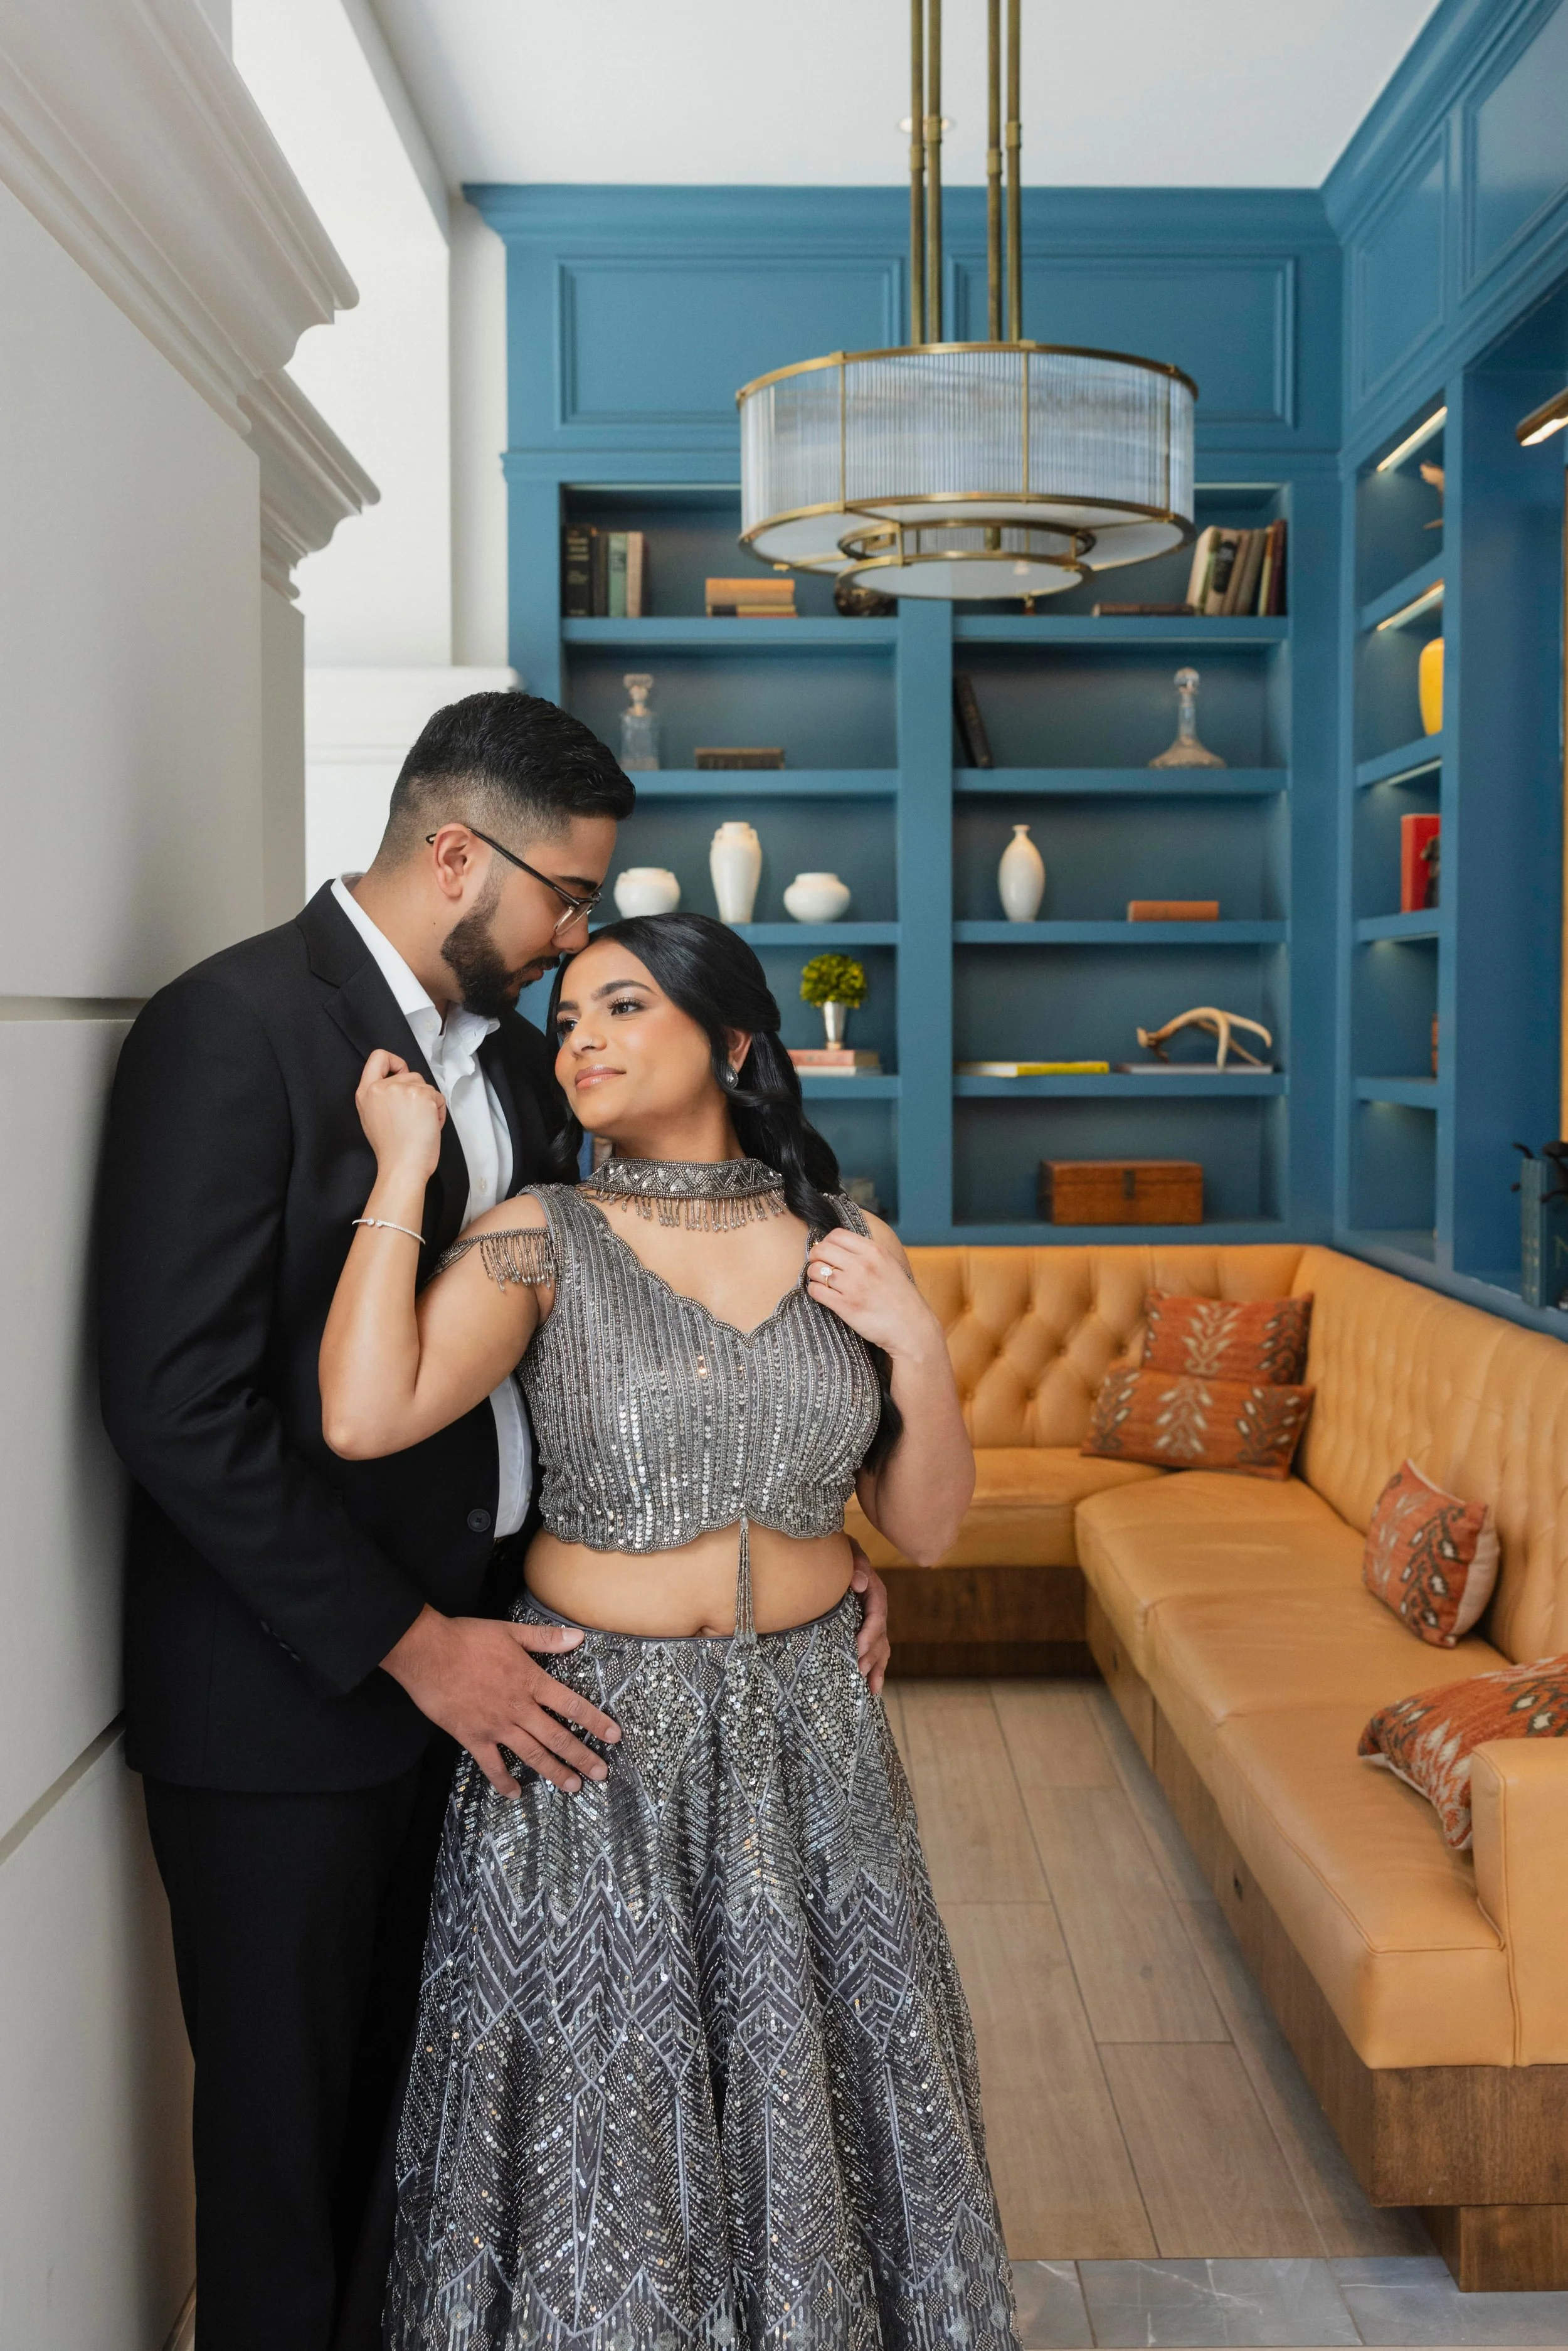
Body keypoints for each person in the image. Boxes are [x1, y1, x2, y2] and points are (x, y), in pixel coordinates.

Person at [95, 691, 895, 2351]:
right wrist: (408, 1644)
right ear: (458, 856)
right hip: (291, 1699)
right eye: (566, 898)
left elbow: (641, 1330)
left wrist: (810, 1549)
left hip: (517, 1681)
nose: (575, 938)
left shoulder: (536, 1065)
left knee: (439, 2148)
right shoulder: (229, 1025)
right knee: (284, 2153)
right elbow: (175, 1403)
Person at [320, 911, 1019, 2351]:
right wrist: (402, 1171)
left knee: (819, 2082)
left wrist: (918, 1343)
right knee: (608, 2111)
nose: (581, 1038)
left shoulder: (847, 1243)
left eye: (623, 1005)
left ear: (732, 1039)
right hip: (599, 1741)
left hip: (812, 1726)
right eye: (568, 1016)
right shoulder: (540, 1236)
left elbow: (928, 1525)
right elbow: (364, 1411)